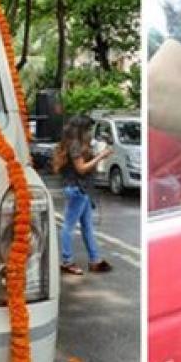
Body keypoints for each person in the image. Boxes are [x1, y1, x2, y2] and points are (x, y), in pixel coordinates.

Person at [52, 115, 113, 275]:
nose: (91, 133)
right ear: (81, 130)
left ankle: (95, 260)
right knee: (68, 226)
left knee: (87, 226)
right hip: (77, 189)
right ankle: (67, 261)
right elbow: (81, 168)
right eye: (88, 129)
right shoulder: (75, 145)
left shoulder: (75, 144)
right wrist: (101, 156)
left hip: (82, 189)